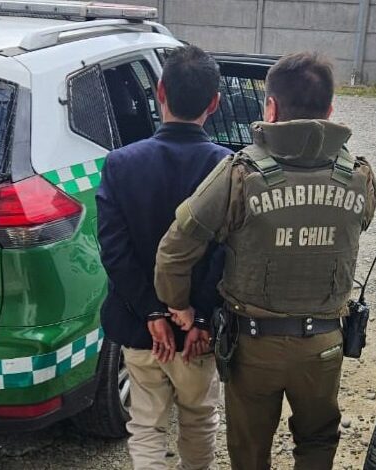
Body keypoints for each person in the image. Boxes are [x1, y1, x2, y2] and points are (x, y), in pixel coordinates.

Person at [154, 52, 376, 470]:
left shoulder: (240, 172)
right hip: (324, 345)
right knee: (318, 440)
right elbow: (356, 227)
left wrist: (178, 304)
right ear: (330, 111)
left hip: (253, 346)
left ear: (270, 108)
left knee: (249, 449)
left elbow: (174, 249)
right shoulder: (359, 175)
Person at [96, 45, 230, 470]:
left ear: (159, 93)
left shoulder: (120, 164)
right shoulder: (228, 168)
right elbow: (227, 254)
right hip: (197, 335)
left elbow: (114, 251)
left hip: (140, 328)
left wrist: (152, 311)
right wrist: (201, 317)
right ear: (214, 103)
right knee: (199, 419)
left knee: (146, 425)